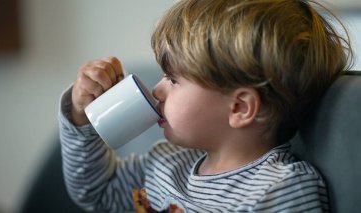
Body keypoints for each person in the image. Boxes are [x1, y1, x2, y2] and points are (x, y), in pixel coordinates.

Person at [59, 0, 353, 212]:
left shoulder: (280, 191)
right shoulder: (164, 163)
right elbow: (96, 192)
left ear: (239, 108)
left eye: (173, 80)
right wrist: (80, 118)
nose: (157, 91)